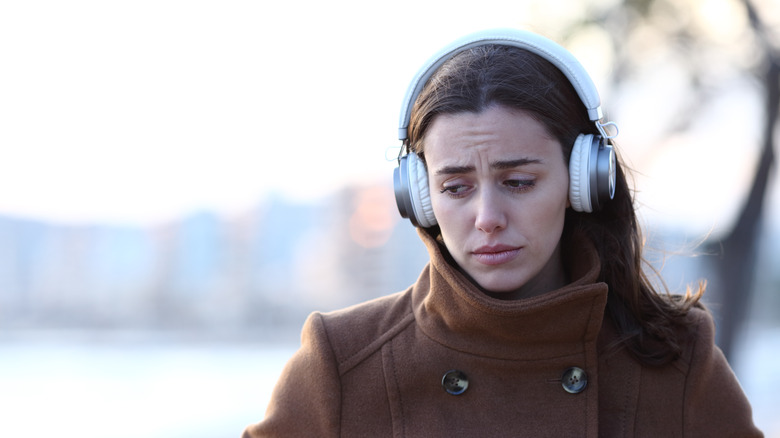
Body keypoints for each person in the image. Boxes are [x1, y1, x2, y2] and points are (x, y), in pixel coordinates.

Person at [242, 28, 761, 437]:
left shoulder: (676, 359)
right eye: (456, 188)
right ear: (420, 198)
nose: (487, 216)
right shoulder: (342, 364)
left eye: (518, 181)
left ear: (583, 182)